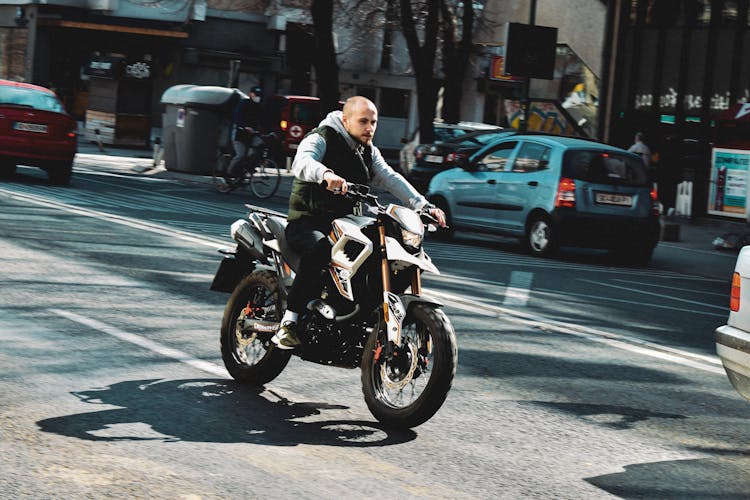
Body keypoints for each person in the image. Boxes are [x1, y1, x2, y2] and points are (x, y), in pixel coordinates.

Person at [271, 96, 447, 349]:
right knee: (319, 251)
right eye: (363, 121)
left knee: (381, 249)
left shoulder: (368, 150)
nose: (370, 128)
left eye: (373, 122)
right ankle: (290, 322)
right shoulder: (323, 136)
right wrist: (326, 175)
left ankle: (361, 314)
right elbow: (303, 162)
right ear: (346, 120)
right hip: (309, 219)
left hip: (347, 221)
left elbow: (389, 177)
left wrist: (423, 205)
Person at [225, 86, 263, 179]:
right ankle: (228, 173)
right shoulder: (244, 103)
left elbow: (262, 120)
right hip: (239, 134)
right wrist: (244, 126)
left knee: (260, 146)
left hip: (251, 134)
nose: (258, 97)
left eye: (259, 95)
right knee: (240, 155)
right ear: (250, 94)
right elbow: (237, 117)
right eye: (256, 95)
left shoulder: (259, 106)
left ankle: (249, 167)